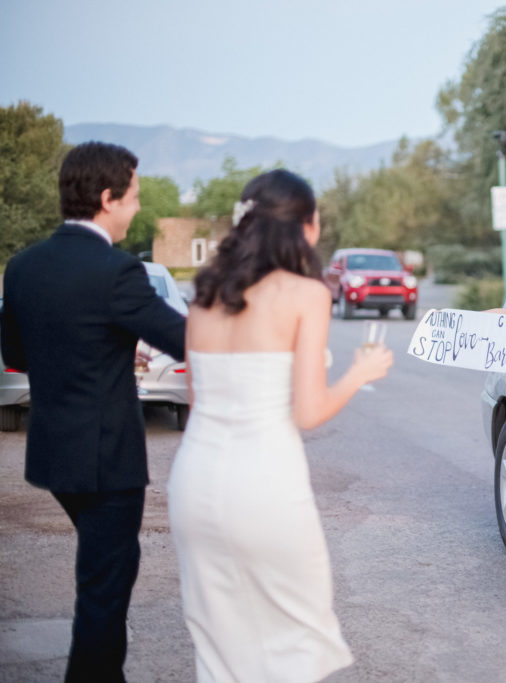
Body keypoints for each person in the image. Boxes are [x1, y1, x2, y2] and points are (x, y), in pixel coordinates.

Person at [167, 169, 393, 681]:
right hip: (264, 484)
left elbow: (197, 401)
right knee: (294, 638)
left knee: (219, 644)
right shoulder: (305, 294)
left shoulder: (203, 297)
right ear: (305, 227)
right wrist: (362, 371)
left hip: (195, 481)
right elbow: (308, 412)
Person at [1, 141, 186, 682]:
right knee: (103, 596)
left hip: (55, 456)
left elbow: (16, 355)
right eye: (132, 197)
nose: (136, 209)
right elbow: (184, 337)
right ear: (107, 198)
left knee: (104, 579)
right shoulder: (118, 271)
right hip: (107, 462)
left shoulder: (23, 266)